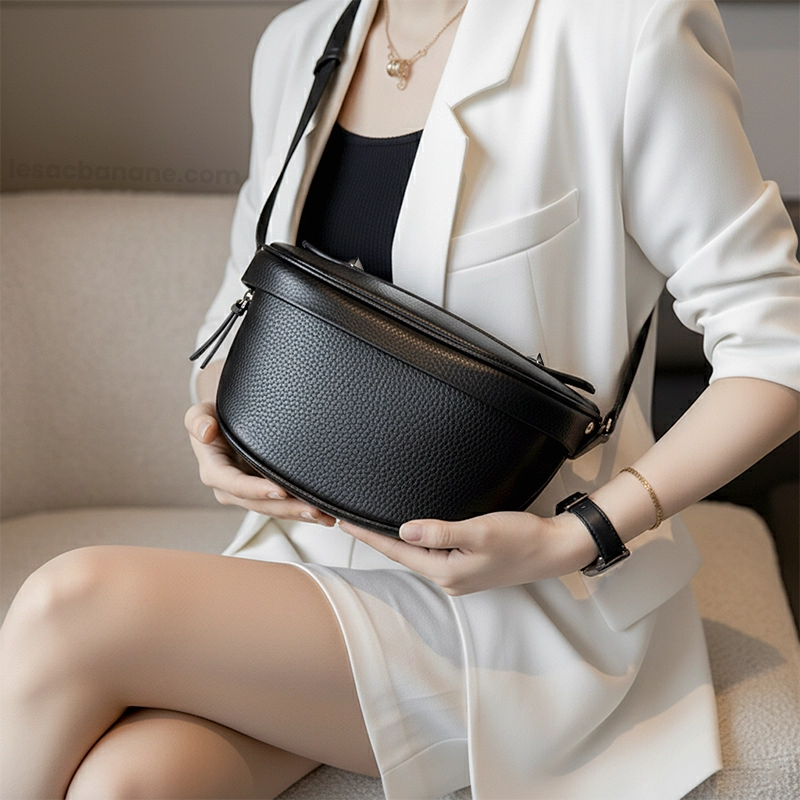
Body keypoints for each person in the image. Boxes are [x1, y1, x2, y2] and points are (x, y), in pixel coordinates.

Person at [1, 0, 799, 798]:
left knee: (69, 606)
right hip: (307, 561)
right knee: (127, 784)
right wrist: (217, 429)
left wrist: (579, 534)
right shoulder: (298, 43)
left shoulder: (626, 29)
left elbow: (778, 346)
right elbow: (236, 318)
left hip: (527, 596)